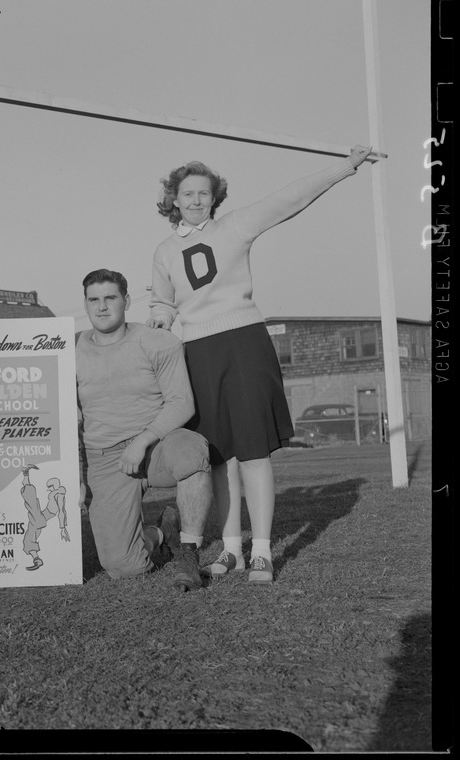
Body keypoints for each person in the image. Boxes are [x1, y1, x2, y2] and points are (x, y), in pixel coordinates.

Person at [147, 145, 373, 583]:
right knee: (218, 459)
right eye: (187, 193)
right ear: (173, 198)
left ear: (215, 198)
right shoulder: (163, 251)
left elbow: (288, 198)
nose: (196, 200)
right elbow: (162, 302)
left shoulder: (236, 225)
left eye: (204, 193)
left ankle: (263, 553)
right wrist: (159, 320)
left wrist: (345, 168)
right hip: (197, 353)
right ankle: (231, 551)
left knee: (252, 452)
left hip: (244, 344)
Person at [76, 269, 212, 591]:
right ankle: (163, 530)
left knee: (192, 452)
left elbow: (182, 403)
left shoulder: (156, 342)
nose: (102, 307)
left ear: (126, 300)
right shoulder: (69, 351)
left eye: (110, 298)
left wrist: (143, 440)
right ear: (85, 304)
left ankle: (189, 555)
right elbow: (64, 417)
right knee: (124, 567)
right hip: (105, 458)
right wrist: (76, 476)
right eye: (94, 300)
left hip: (156, 445)